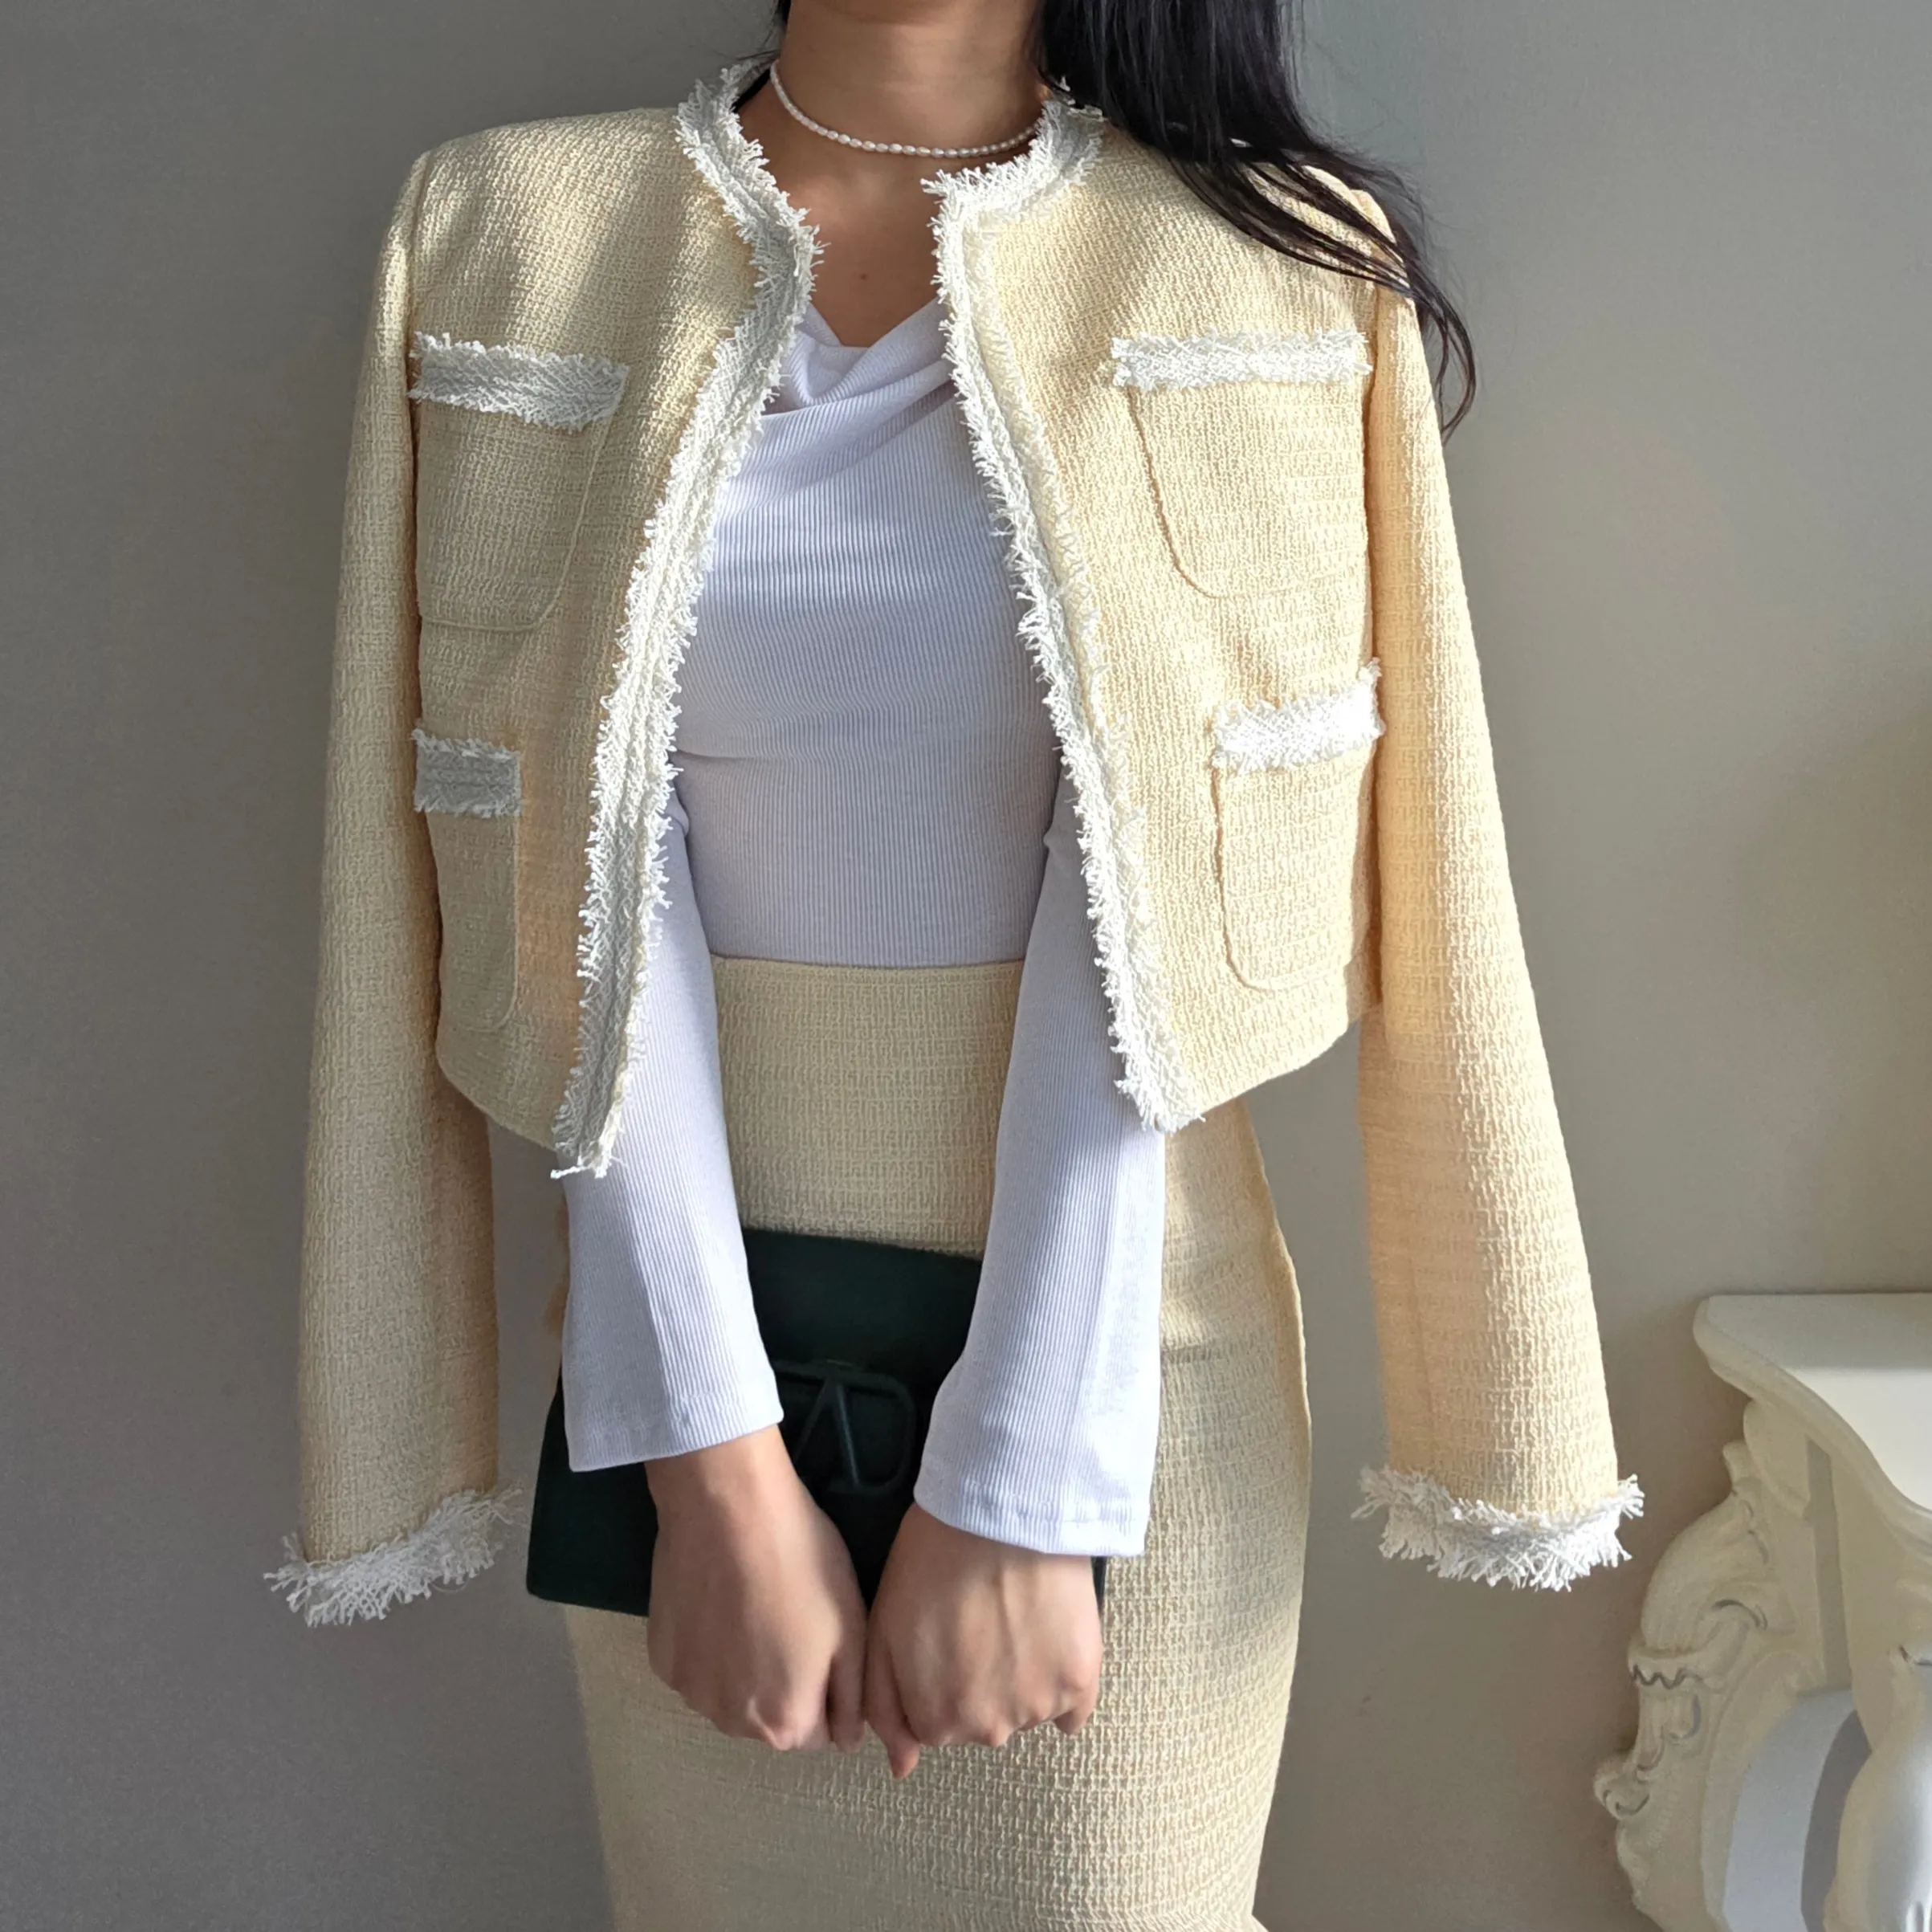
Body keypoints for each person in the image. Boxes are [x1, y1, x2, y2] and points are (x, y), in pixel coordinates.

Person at [275, 2, 1641, 1924]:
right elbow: (529, 875)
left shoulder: (1266, 261)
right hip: (681, 1367)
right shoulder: (509, 232)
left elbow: (1229, 889)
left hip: (1126, 1371)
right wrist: (708, 1464)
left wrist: (1020, 1482)